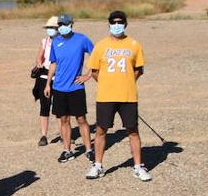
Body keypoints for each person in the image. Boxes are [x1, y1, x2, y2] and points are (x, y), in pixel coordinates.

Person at [85, 11, 152, 182]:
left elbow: (139, 70)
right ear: (109, 24)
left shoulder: (134, 44)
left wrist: (126, 82)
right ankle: (97, 165)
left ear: (125, 24)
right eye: (113, 22)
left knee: (133, 130)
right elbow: (94, 71)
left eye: (120, 22)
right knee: (101, 130)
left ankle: (138, 166)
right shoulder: (100, 45)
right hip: (105, 96)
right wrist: (108, 83)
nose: (117, 25)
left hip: (128, 96)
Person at [45, 14, 95, 164]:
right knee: (64, 120)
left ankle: (89, 150)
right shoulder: (55, 42)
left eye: (65, 24)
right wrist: (48, 83)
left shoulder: (82, 39)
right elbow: (53, 63)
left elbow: (96, 56)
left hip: (76, 87)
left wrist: (88, 75)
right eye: (60, 24)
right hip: (59, 88)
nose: (62, 27)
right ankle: (67, 150)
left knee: (81, 119)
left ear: (72, 24)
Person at [32, 16, 59, 146]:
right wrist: (39, 63)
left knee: (60, 107)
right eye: (48, 27)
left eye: (52, 27)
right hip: (44, 76)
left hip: (59, 77)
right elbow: (39, 57)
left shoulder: (64, 42)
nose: (50, 30)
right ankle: (44, 135)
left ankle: (63, 133)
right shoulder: (45, 41)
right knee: (44, 105)